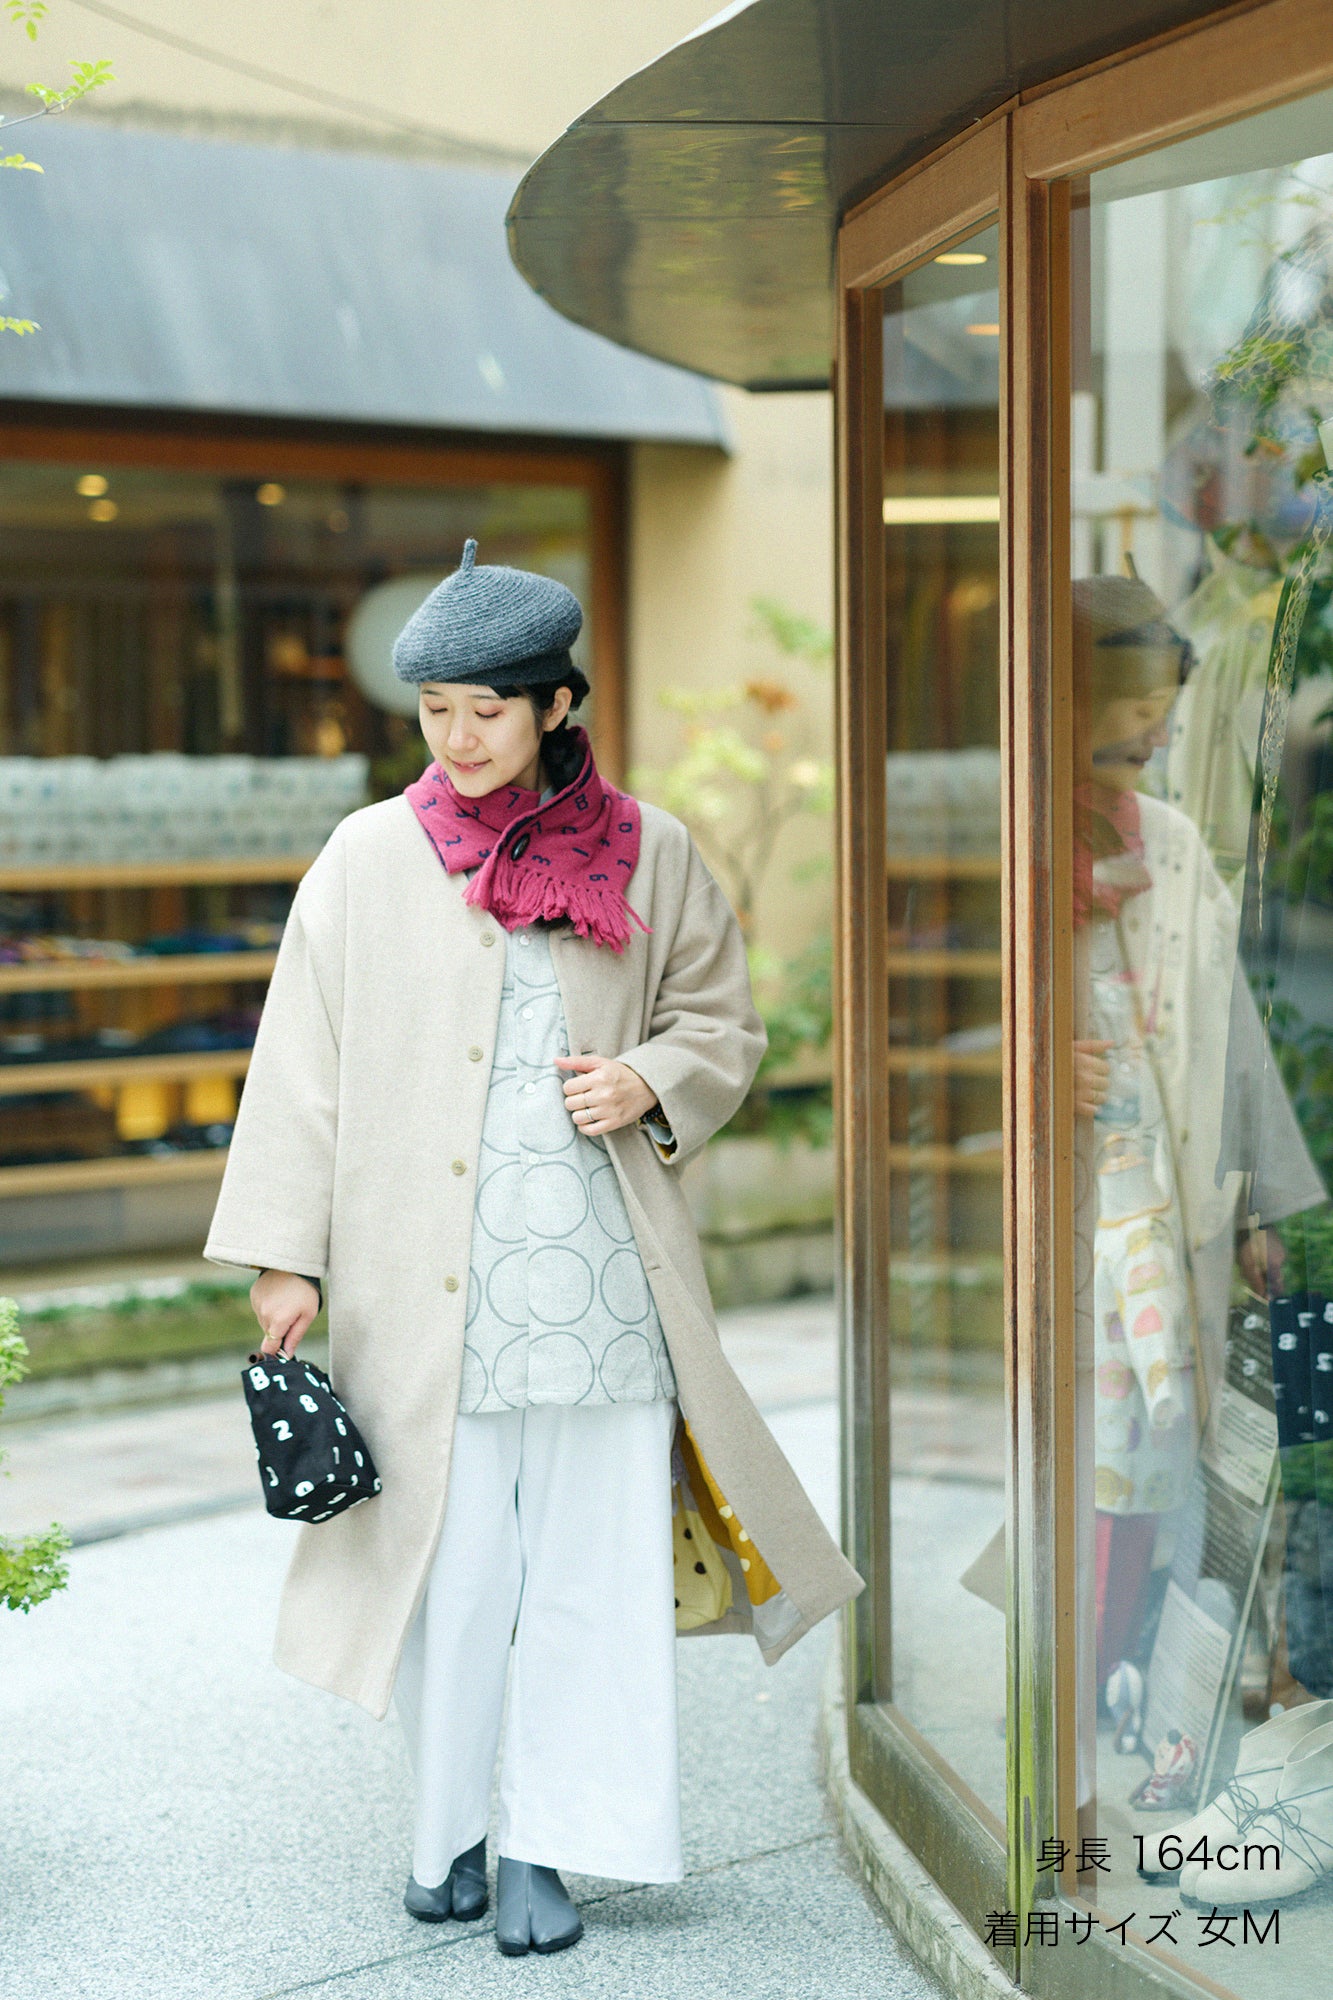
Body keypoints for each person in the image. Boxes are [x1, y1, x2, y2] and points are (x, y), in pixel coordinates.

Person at [206, 540, 862, 1957]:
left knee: (588, 1577)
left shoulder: (653, 851)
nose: (457, 739)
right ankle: (446, 1833)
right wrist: (284, 1254)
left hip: (603, 1284)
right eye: (435, 711)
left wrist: (651, 1082)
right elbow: (298, 1063)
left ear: (557, 702)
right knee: (447, 1573)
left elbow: (720, 1022)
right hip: (413, 1282)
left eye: (486, 711)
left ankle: (551, 1850)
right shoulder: (370, 856)